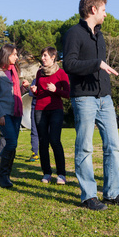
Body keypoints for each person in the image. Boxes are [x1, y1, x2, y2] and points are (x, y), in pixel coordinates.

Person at [62, 0, 119, 211]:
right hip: (84, 98)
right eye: (103, 9)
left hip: (105, 99)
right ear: (93, 9)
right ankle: (88, 196)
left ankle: (112, 193)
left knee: (113, 146)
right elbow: (69, 64)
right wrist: (97, 64)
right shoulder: (74, 33)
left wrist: (101, 71)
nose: (106, 13)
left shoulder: (100, 36)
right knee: (84, 147)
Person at [30, 47, 70, 185]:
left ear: (53, 57)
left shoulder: (61, 73)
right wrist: (34, 91)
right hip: (39, 110)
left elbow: (68, 94)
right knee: (43, 142)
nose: (43, 58)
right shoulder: (39, 73)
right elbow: (40, 93)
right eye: (42, 55)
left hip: (55, 110)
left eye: (45, 55)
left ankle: (61, 174)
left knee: (54, 140)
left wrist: (56, 90)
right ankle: (46, 173)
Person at [0, 44, 29, 188]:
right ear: (6, 54)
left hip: (16, 112)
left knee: (12, 146)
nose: (17, 57)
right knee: (12, 143)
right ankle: (2, 176)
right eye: (14, 54)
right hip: (5, 113)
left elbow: (12, 93)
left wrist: (22, 88)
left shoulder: (14, 70)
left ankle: (6, 176)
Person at [28, 78, 39, 162]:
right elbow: (31, 94)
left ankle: (44, 152)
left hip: (47, 109)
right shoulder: (35, 81)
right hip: (35, 108)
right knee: (34, 131)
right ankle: (34, 153)